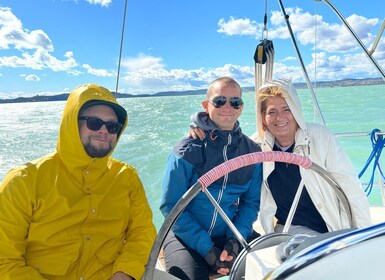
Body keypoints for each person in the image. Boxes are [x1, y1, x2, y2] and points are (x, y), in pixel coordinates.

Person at [0, 84, 156, 280]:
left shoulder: (126, 177)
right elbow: (4, 261)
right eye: (93, 122)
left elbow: (142, 232)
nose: (104, 131)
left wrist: (125, 273)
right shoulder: (23, 181)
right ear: (72, 123)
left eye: (112, 126)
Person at [191, 78, 371, 236]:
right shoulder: (255, 147)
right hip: (289, 231)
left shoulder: (321, 138)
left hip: (333, 228)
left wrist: (364, 235)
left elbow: (351, 188)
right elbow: (224, 146)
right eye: (271, 111)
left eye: (286, 109)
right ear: (263, 118)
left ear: (296, 111)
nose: (280, 117)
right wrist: (199, 125)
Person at [160, 77, 262, 280]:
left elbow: (250, 204)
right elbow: (171, 206)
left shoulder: (252, 153)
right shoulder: (187, 150)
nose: (228, 107)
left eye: (235, 102)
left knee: (276, 263)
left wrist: (235, 240)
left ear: (240, 108)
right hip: (184, 237)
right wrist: (207, 249)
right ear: (206, 106)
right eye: (219, 101)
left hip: (231, 232)